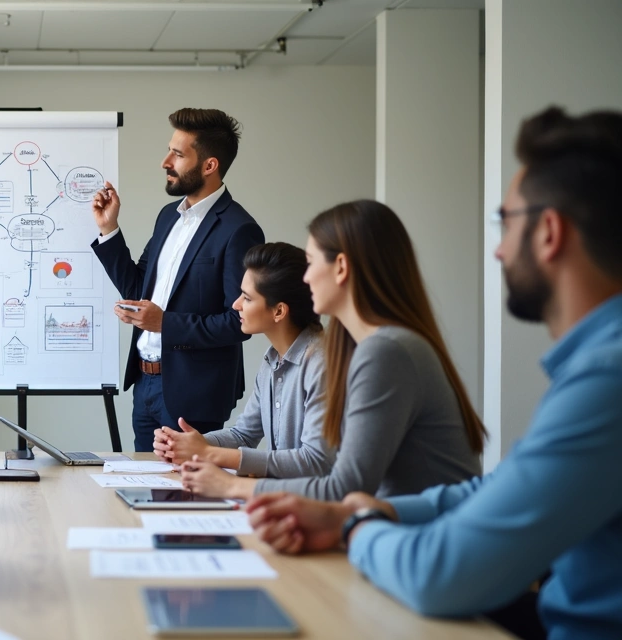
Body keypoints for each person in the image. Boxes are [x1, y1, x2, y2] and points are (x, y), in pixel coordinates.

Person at [247, 107, 622, 640]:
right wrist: (371, 513)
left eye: (505, 222)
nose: (496, 247)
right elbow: (492, 490)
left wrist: (357, 524)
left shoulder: (606, 381)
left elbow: (437, 575)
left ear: (549, 233)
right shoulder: (593, 367)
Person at [180, 200, 482, 501]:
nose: (306, 277)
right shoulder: (361, 346)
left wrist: (231, 485)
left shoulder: (384, 352)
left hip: (426, 538)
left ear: (340, 268)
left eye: (311, 263)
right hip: (396, 529)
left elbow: (342, 486)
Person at [91, 107, 265, 451]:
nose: (165, 161)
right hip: (145, 386)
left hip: (194, 394)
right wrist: (108, 229)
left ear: (209, 165)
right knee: (145, 493)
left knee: (183, 499)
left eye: (178, 154)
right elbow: (138, 289)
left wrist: (165, 323)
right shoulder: (168, 217)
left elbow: (239, 322)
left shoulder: (239, 229)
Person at [153, 242, 333, 479]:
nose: (236, 305)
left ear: (279, 311)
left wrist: (209, 453)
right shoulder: (272, 359)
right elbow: (244, 434)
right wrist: (187, 444)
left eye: (247, 298)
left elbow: (314, 461)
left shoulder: (323, 363)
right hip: (281, 498)